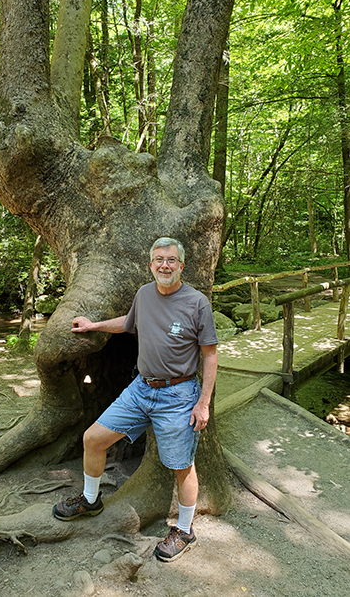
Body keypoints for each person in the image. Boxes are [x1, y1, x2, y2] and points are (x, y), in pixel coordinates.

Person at [53, 237, 218, 562]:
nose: (165, 265)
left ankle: (185, 530)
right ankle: (90, 500)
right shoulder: (144, 294)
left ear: (181, 265)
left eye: (171, 260)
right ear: (151, 264)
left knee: (182, 467)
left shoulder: (197, 303)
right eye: (159, 259)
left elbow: (210, 355)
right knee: (93, 439)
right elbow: (128, 323)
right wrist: (94, 325)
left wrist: (204, 403)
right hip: (141, 389)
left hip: (179, 395)